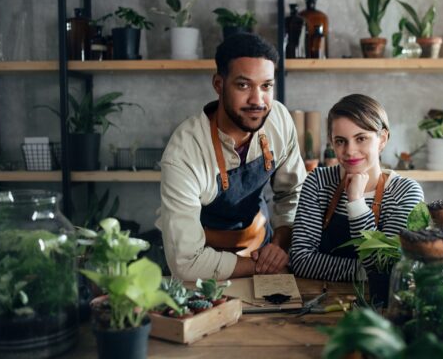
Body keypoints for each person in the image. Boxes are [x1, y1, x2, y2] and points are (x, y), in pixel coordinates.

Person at [156, 33, 306, 281]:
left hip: (261, 249)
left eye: (266, 86)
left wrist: (278, 246)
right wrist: (259, 266)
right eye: (243, 85)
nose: (257, 100)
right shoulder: (184, 152)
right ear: (218, 84)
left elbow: (293, 194)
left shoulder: (279, 120)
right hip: (203, 269)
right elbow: (186, 262)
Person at [290, 94, 424, 281]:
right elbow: (300, 259)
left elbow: (388, 268)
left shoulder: (405, 193)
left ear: (382, 139)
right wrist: (365, 273)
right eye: (340, 141)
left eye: (361, 139)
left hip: (379, 307)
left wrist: (356, 203)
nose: (350, 151)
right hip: (321, 299)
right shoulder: (318, 182)